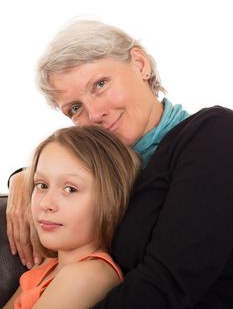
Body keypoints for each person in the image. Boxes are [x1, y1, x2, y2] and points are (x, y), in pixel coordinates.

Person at [6, 18, 233, 308]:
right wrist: (24, 177)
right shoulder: (114, 176)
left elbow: (167, 285)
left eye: (100, 84)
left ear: (140, 64)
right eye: (75, 108)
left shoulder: (213, 134)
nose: (95, 113)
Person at [3, 125, 140, 308]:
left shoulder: (90, 274)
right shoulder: (49, 264)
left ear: (111, 202)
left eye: (70, 189)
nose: (46, 204)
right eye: (42, 185)